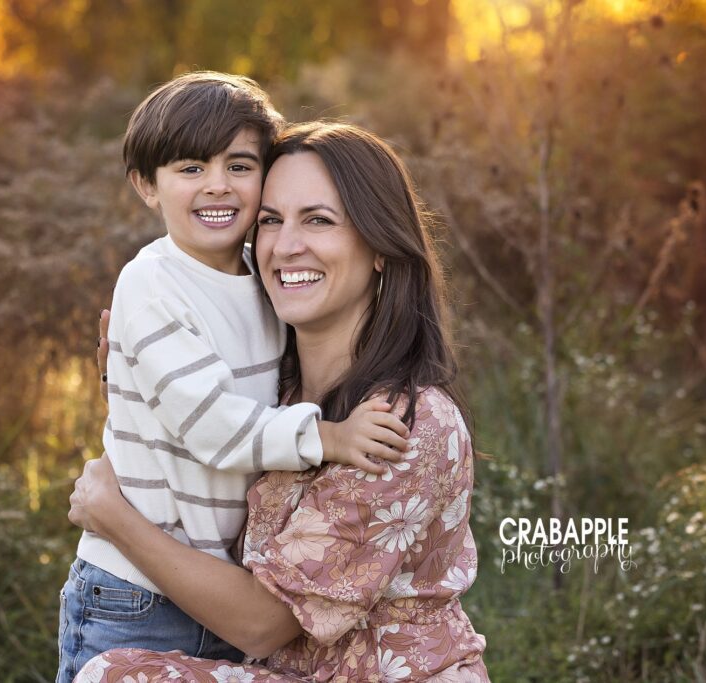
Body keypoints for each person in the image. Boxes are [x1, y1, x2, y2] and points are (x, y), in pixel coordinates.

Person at [68, 121, 491, 681]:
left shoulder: (404, 424)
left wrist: (112, 517)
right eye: (270, 221)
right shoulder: (275, 391)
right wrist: (135, 388)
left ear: (381, 246)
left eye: (318, 220)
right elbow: (207, 436)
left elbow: (263, 625)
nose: (287, 246)